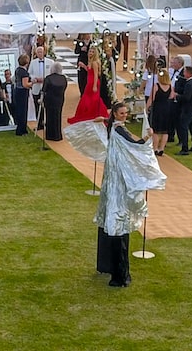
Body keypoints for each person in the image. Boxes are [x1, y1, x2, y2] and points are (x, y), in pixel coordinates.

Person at [62, 102, 166, 288]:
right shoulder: (119, 130)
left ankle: (106, 265)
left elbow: (113, 129)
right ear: (116, 115)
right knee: (119, 219)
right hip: (118, 179)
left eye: (126, 113)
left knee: (110, 215)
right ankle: (120, 275)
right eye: (122, 113)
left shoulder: (113, 127)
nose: (125, 115)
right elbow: (136, 146)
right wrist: (148, 137)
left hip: (111, 177)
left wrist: (104, 120)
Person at [69, 48, 110, 124]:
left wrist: (94, 86)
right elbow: (89, 71)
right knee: (88, 98)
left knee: (92, 99)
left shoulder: (94, 62)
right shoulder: (90, 61)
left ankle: (93, 114)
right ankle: (89, 113)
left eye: (92, 52)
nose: (90, 53)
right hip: (89, 82)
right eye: (90, 51)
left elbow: (95, 75)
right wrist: (84, 66)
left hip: (93, 83)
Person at [173, 64, 192, 155]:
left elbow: (186, 98)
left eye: (185, 72)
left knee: (183, 126)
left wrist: (177, 96)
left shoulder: (189, 84)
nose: (184, 73)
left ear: (188, 73)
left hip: (187, 108)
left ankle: (184, 148)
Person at [146, 69, 174, 156]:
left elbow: (151, 98)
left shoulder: (156, 86)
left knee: (155, 130)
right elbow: (171, 96)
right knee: (165, 131)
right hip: (167, 109)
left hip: (157, 109)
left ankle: (155, 148)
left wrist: (146, 108)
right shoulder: (170, 86)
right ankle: (162, 148)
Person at [41, 61, 69, 142]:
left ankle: (50, 135)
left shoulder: (48, 78)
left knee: (49, 116)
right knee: (58, 116)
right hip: (59, 99)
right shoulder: (63, 78)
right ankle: (58, 135)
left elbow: (44, 89)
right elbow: (65, 87)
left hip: (49, 100)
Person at [29, 45, 49, 130]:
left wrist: (45, 79)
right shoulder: (33, 62)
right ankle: (40, 124)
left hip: (47, 87)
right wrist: (35, 78)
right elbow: (29, 73)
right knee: (37, 106)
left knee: (47, 106)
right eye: (38, 52)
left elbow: (52, 73)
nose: (40, 53)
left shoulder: (50, 62)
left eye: (41, 52)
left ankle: (48, 123)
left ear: (44, 52)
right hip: (36, 86)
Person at [12, 55, 32, 136]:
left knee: (20, 111)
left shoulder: (17, 70)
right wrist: (32, 82)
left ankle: (21, 128)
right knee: (23, 111)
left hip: (17, 91)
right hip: (22, 93)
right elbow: (25, 84)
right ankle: (21, 130)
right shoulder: (24, 72)